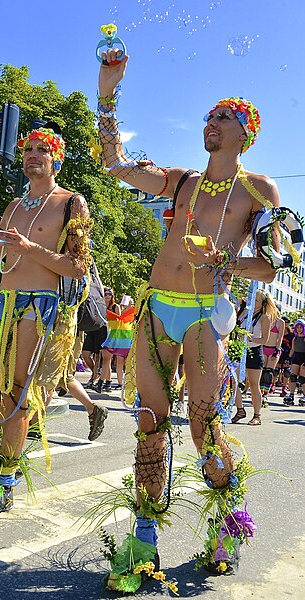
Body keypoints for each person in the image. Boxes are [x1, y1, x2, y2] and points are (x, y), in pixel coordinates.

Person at [97, 48, 283, 584]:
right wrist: (108, 92)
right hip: (158, 308)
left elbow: (274, 267)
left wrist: (224, 259)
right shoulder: (180, 181)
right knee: (149, 424)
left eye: (222, 116)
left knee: (204, 426)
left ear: (245, 132)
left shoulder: (258, 190)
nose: (210, 121)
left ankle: (228, 523)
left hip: (207, 313)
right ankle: (143, 541)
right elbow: (114, 165)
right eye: (208, 115)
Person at [0, 126, 91, 519]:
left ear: (56, 159)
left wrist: (31, 247)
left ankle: (5, 476)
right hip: (3, 300)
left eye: (42, 150)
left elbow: (78, 266)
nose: (33, 155)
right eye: (28, 149)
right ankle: (11, 439)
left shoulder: (72, 203)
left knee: (17, 396)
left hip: (41, 304)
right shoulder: (14, 205)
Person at [232, 290, 276, 425]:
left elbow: (264, 340)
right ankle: (240, 410)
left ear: (262, 302)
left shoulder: (264, 317)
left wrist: (249, 337)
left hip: (254, 352)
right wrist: (239, 304)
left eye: (256, 300)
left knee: (253, 384)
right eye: (251, 298)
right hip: (239, 350)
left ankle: (257, 415)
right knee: (234, 381)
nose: (252, 301)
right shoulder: (244, 312)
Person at [92, 288, 121, 393]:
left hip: (113, 335)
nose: (107, 296)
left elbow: (119, 321)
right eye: (105, 294)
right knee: (106, 361)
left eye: (110, 294)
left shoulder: (115, 307)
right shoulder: (101, 307)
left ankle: (100, 384)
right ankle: (107, 384)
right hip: (104, 334)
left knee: (106, 360)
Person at [260, 303, 284, 402]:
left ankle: (266, 394)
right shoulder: (265, 319)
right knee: (262, 371)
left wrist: (277, 350)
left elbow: (280, 338)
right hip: (263, 347)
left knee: (269, 372)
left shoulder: (280, 322)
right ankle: (260, 392)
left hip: (273, 349)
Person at [283, 320, 305, 406]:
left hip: (304, 358)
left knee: (303, 379)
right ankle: (291, 395)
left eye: (301, 327)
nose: (299, 329)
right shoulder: (295, 338)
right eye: (297, 327)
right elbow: (292, 349)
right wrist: (288, 359)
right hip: (296, 358)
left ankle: (304, 395)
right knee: (292, 376)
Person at [276, 317, 293, 396]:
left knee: (287, 371)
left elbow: (293, 346)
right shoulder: (278, 331)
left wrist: (291, 357)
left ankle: (284, 387)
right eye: (284, 322)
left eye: (287, 323)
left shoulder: (291, 334)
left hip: (287, 353)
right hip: (279, 352)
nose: (285, 324)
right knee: (276, 370)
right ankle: (272, 384)